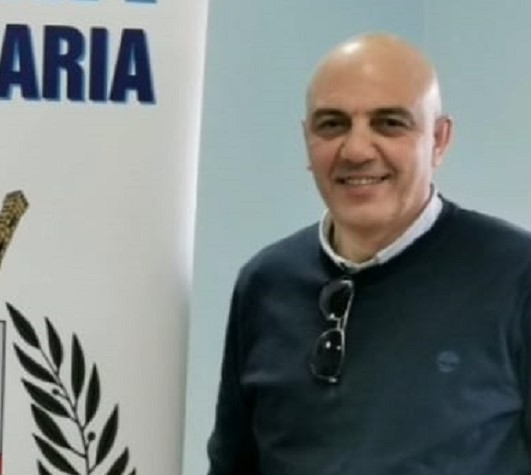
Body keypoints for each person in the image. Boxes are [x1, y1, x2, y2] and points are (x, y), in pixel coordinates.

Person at [206, 32, 531, 475]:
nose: (357, 150)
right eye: (332, 124)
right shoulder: (265, 283)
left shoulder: (515, 275)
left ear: (439, 140)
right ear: (307, 140)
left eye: (389, 123)